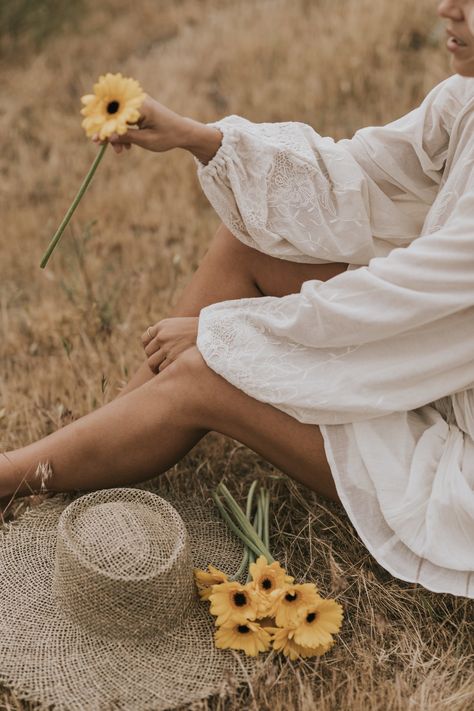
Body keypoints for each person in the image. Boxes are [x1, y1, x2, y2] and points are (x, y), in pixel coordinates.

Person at [1, 0, 473, 597]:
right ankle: (93, 448)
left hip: (460, 456)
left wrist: (220, 332)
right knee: (250, 246)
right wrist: (200, 138)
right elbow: (359, 177)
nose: (446, 9)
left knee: (207, 373)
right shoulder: (467, 98)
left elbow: (397, 307)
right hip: (436, 370)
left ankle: (14, 476)